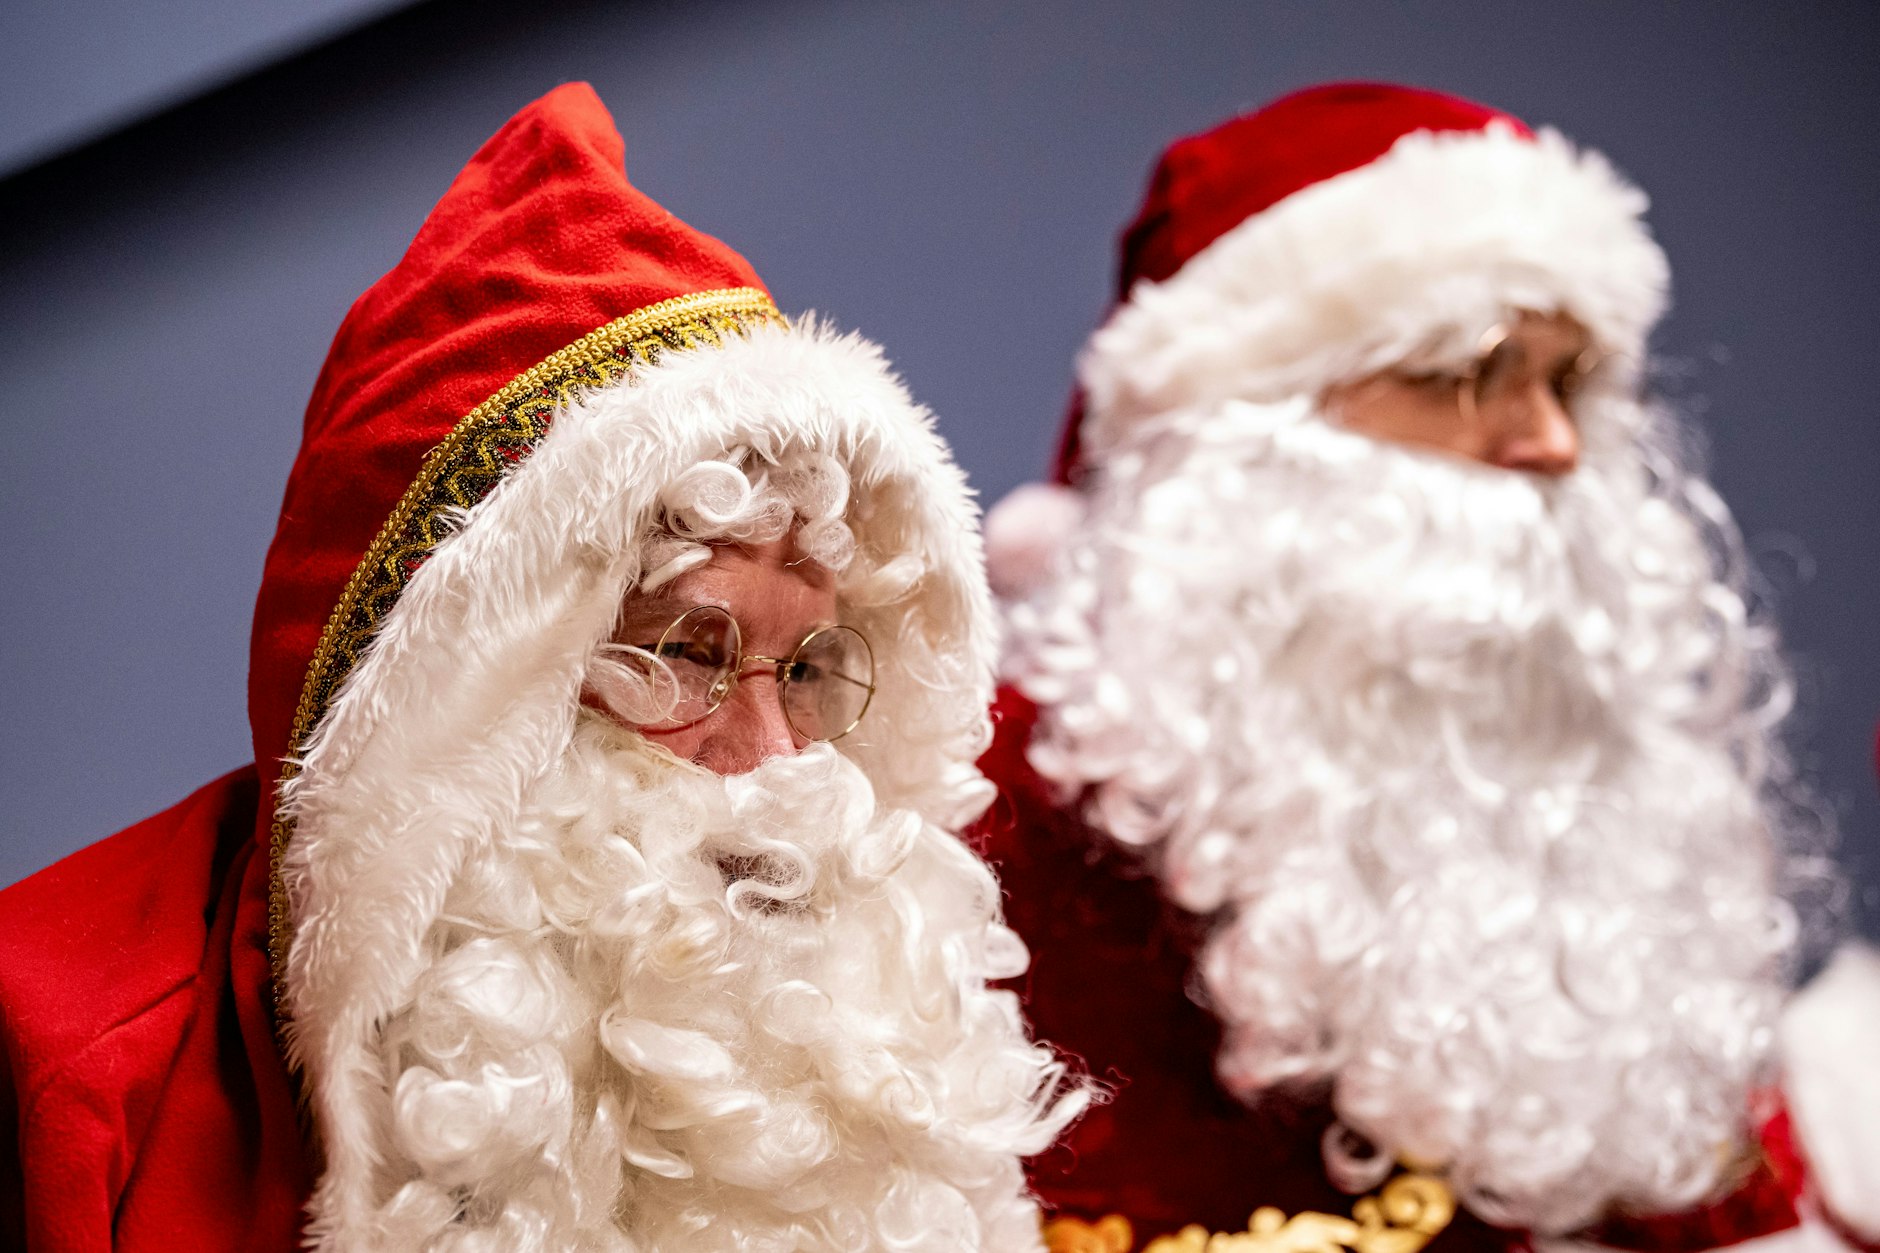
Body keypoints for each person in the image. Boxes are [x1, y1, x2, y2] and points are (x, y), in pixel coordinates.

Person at [0, 83, 1084, 1252]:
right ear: (472, 705)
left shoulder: (885, 1035)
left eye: (811, 669)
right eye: (682, 652)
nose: (774, 763)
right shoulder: (67, 1071)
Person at [979, 82, 1880, 1253]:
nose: (1550, 442)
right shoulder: (996, 805)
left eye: (1568, 380)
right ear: (1246, 427)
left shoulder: (1609, 778)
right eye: (1468, 371)